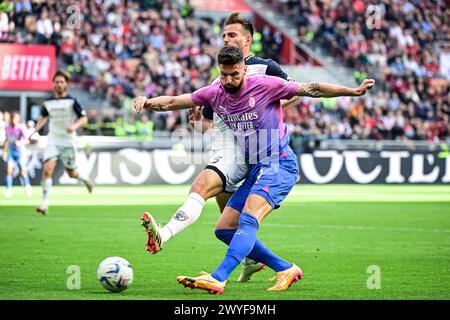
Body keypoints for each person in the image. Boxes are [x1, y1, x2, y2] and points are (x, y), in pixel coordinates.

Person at [134, 46, 375, 294]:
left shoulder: (265, 84)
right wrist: (148, 103)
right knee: (225, 228)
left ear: (245, 69)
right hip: (258, 167)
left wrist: (353, 91)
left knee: (249, 219)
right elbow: (175, 101)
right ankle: (286, 268)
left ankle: (219, 277)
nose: (229, 80)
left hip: (278, 163)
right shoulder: (215, 91)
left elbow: (311, 88)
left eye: (234, 75)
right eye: (224, 74)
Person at [138, 12, 300, 283]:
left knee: (212, 195)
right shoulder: (220, 81)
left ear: (248, 41)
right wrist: (198, 124)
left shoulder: (266, 68)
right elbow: (210, 124)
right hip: (233, 150)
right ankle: (254, 260)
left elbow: (294, 92)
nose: (226, 38)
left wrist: (264, 110)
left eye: (232, 34)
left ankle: (169, 238)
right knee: (226, 225)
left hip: (253, 154)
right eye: (224, 35)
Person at [30, 70, 94, 215]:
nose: (59, 84)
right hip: (53, 139)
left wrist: (74, 127)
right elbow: (43, 117)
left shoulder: (72, 101)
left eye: (62, 82)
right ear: (54, 84)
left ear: (66, 84)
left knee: (72, 174)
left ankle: (85, 179)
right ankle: (44, 203)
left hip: (68, 141)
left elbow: (84, 119)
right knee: (47, 170)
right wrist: (35, 130)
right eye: (57, 82)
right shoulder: (48, 102)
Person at [2, 112, 32, 198]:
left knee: (23, 171)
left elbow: (28, 140)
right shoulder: (7, 128)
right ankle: (9, 189)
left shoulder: (21, 128)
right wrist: (4, 151)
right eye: (13, 118)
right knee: (9, 171)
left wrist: (20, 143)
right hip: (11, 152)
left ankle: (27, 187)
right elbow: (6, 140)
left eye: (16, 118)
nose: (14, 120)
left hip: (20, 153)